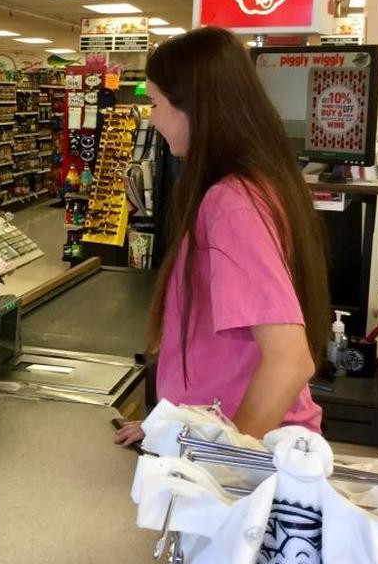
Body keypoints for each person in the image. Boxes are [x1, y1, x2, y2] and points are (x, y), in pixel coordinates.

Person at [114, 26, 330, 447]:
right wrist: (173, 422)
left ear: (191, 106)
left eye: (155, 102)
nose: (152, 116)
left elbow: (289, 361)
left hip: (252, 455)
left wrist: (226, 462)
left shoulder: (231, 203)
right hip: (219, 428)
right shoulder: (260, 183)